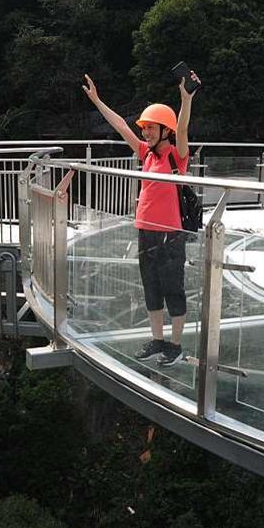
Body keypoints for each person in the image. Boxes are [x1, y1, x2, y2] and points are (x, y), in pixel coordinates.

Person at [82, 70, 201, 366]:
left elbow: (183, 129)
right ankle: (157, 340)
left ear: (165, 130)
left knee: (173, 288)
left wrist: (186, 99)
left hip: (170, 232)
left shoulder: (176, 156)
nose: (146, 132)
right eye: (145, 128)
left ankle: (175, 346)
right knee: (151, 287)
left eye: (151, 128)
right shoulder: (146, 154)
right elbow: (121, 125)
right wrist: (97, 100)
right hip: (145, 229)